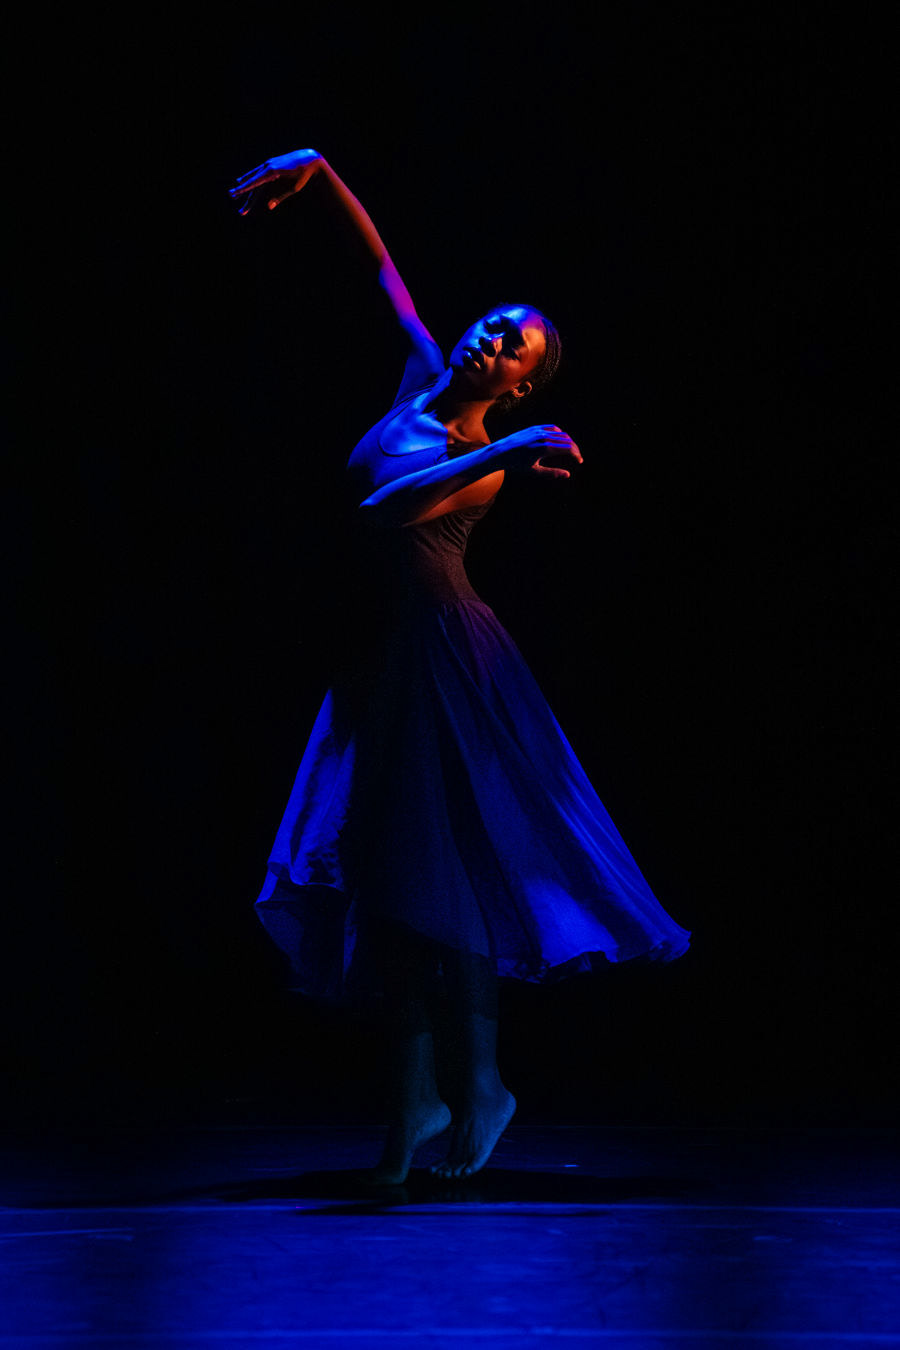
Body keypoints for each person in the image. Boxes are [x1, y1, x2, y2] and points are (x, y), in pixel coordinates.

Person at [230, 148, 691, 1186]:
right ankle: (427, 1095)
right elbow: (379, 267)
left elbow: (381, 509)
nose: (490, 339)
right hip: (379, 664)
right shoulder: (417, 383)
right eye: (492, 323)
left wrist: (502, 452)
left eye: (513, 347)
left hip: (448, 662)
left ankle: (469, 1086)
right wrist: (320, 172)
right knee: (389, 884)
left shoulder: (481, 466)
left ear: (519, 386)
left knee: (433, 877)